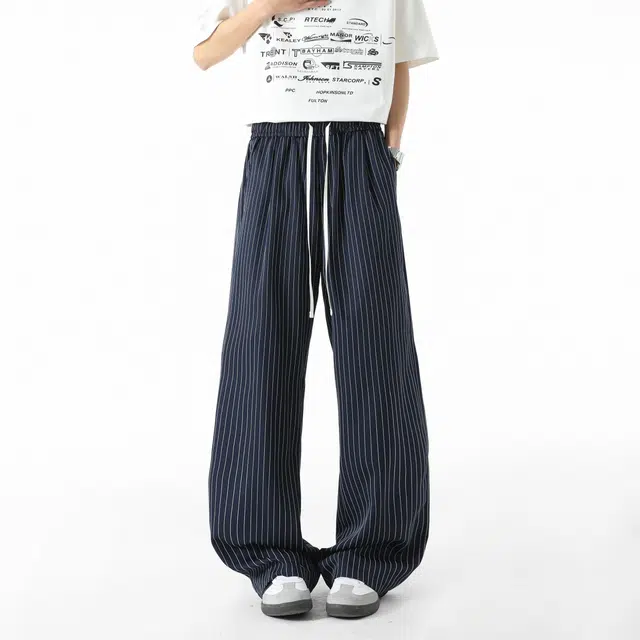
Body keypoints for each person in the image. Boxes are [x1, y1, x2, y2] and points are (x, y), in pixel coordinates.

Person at [193, 0, 438, 619]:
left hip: (361, 153)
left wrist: (391, 148)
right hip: (276, 153)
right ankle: (269, 552)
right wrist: (268, 7)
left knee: (376, 346)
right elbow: (206, 52)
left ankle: (372, 551)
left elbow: (398, 59)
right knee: (261, 342)